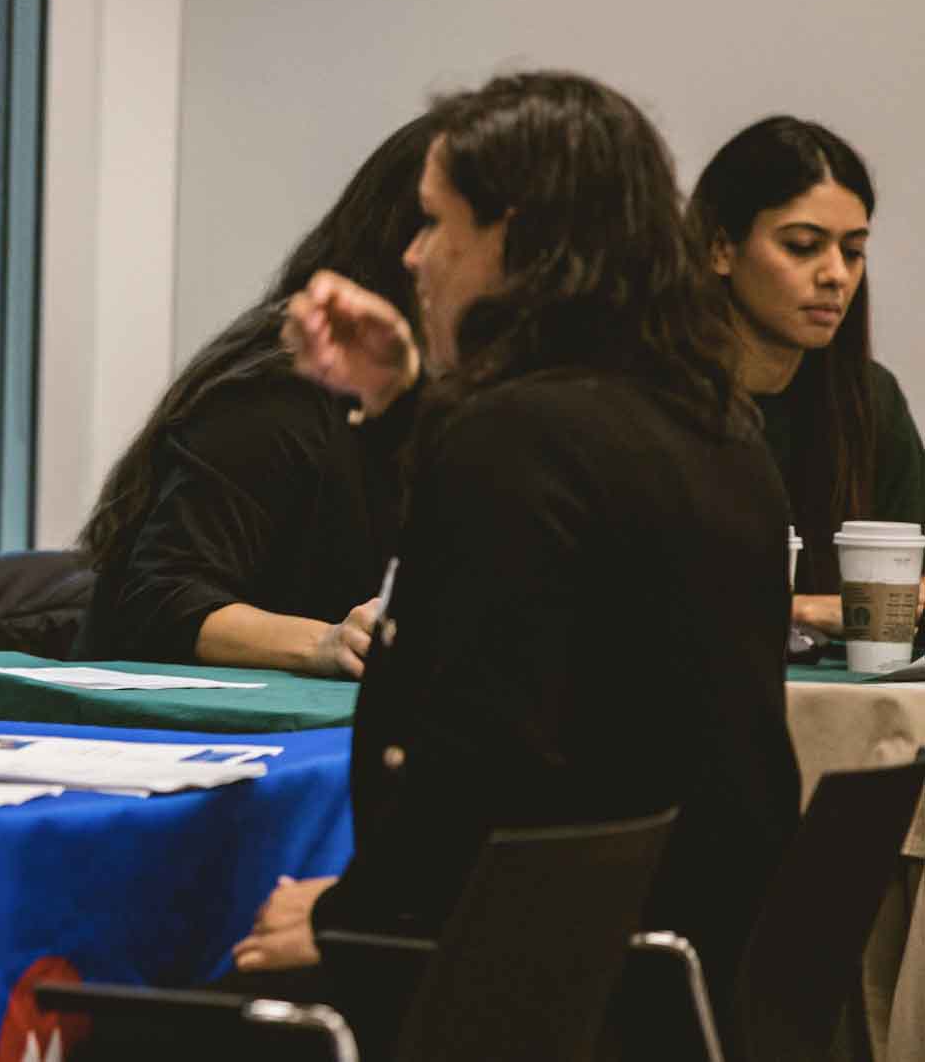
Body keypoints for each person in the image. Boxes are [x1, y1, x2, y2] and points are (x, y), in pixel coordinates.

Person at [237, 73, 800, 1050]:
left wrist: (347, 917)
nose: (413, 257)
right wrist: (412, 397)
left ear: (518, 239)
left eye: (436, 224)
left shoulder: (516, 437)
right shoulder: (716, 425)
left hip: (519, 987)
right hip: (667, 974)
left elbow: (483, 762)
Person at [74, 113, 435, 675]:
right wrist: (327, 642)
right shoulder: (280, 393)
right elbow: (160, 601)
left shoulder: (468, 406)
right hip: (189, 737)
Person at [689, 116, 925, 631]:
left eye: (853, 251)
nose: (836, 275)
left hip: (856, 706)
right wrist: (794, 611)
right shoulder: (650, 403)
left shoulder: (868, 399)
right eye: (802, 245)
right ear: (720, 248)